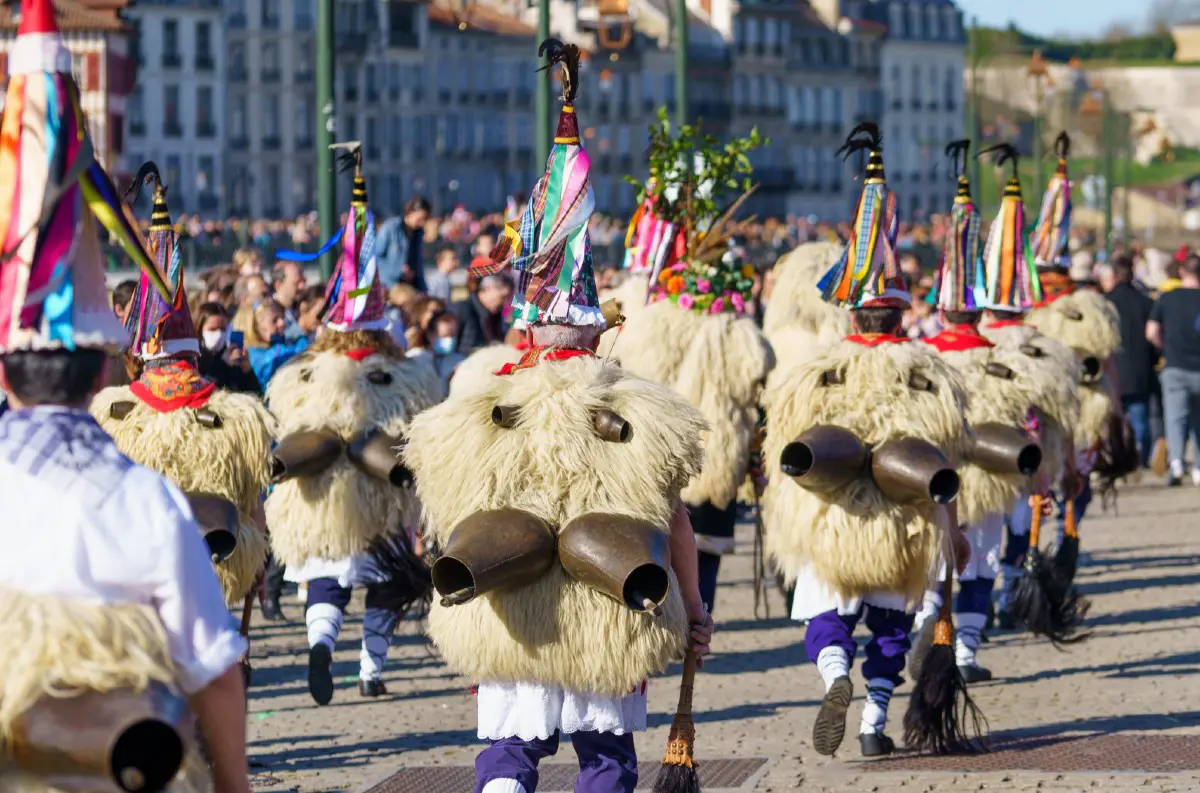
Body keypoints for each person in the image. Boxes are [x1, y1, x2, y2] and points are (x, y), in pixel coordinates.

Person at [404, 48, 712, 791]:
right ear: (598, 330)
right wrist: (696, 608)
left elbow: (442, 516)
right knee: (605, 759)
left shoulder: (476, 399)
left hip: (513, 606)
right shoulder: (641, 408)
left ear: (527, 328)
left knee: (508, 754)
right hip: (608, 608)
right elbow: (674, 525)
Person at [0, 3, 248, 787]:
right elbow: (211, 664)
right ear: (108, 371)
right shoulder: (145, 498)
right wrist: (236, 782)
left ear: (3, 370)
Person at [765, 124, 970, 759]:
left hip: (831, 518)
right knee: (888, 620)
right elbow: (945, 463)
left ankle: (833, 677)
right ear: (902, 312)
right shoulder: (931, 373)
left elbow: (785, 456)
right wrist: (954, 529)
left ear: (852, 313)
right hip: (902, 522)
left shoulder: (812, 372)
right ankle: (875, 720)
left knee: (827, 608)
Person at [265, 145, 440, 703]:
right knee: (386, 581)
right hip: (379, 492)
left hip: (321, 489)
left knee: (326, 572)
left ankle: (321, 643)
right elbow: (419, 429)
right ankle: (370, 668)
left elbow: (287, 423)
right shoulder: (402, 372)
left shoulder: (304, 372)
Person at [91, 162, 274, 614]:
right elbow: (252, 506)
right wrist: (258, 562)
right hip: (214, 566)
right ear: (192, 353)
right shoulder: (238, 419)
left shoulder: (114, 413)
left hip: (135, 572)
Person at [610, 127, 773, 614]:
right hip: (710, 450)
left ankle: (671, 615)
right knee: (701, 553)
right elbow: (756, 380)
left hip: (662, 452)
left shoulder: (642, 317)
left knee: (660, 539)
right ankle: (697, 620)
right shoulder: (729, 322)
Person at [1147, 253, 1200, 486]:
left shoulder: (1166, 298)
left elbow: (1151, 332)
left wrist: (1165, 347)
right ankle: (1198, 467)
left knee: (1175, 417)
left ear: (1181, 272)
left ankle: (1177, 462)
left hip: (1175, 366)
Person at [1107, 254, 1158, 467]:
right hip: (1139, 368)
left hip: (1112, 369)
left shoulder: (1105, 303)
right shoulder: (1145, 302)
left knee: (1111, 419)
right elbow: (1153, 336)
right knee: (1140, 419)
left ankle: (1116, 458)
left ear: (1114, 275)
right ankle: (1139, 457)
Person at [236, 298, 310, 387]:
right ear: (255, 328)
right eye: (274, 320)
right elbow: (283, 356)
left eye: (282, 317)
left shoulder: (285, 343)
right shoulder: (254, 356)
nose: (282, 323)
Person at [195, 302, 262, 394]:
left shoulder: (232, 355)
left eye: (223, 329)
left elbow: (256, 394)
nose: (218, 334)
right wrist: (222, 364)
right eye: (212, 329)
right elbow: (204, 390)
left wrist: (247, 371)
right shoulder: (193, 358)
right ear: (199, 329)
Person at [450, 272, 513, 355]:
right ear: (486, 289)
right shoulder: (461, 310)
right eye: (503, 297)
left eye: (508, 298)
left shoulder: (496, 316)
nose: (505, 303)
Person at [376, 195, 431, 291]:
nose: (422, 223)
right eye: (420, 218)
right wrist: (398, 270)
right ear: (410, 212)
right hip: (391, 286)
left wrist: (423, 289)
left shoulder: (418, 233)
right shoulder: (390, 228)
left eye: (425, 219)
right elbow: (376, 258)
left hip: (412, 287)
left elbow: (418, 263)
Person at [272, 260, 308, 341]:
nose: (302, 286)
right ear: (278, 285)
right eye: (296, 283)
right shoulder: (269, 313)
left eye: (303, 281)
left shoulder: (302, 306)